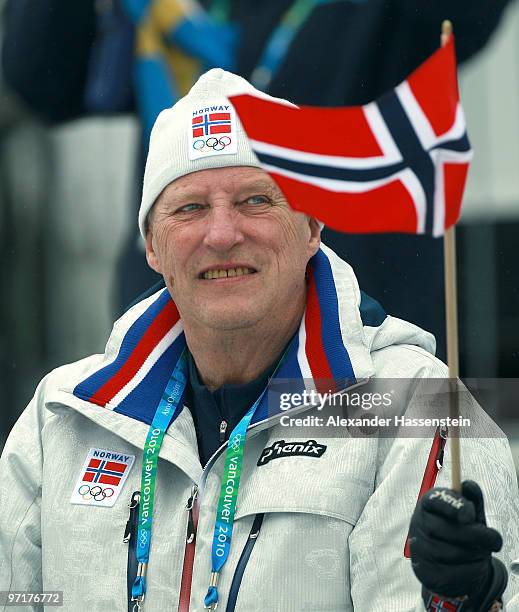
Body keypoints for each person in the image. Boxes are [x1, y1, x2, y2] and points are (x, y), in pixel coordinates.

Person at [1, 69, 518, 612]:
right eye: (190, 208)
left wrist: (464, 600)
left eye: (255, 201)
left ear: (312, 227)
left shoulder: (415, 406)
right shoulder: (60, 419)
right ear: (152, 246)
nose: (222, 235)